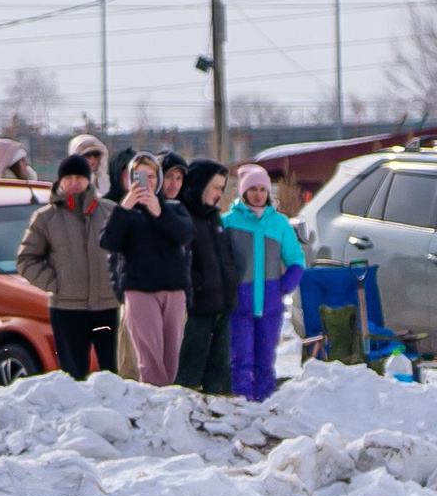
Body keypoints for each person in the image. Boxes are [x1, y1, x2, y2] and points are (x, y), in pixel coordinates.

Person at [99, 152, 195, 388]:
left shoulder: (174, 208)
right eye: (139, 176)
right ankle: (158, 405)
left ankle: (166, 404)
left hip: (173, 290)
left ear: (158, 179)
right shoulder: (125, 211)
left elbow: (185, 235)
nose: (146, 182)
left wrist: (160, 211)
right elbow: (108, 242)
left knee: (171, 360)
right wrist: (124, 208)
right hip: (139, 290)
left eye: (151, 176)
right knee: (150, 361)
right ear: (130, 179)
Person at [17, 152, 118, 375]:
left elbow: (128, 253)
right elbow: (26, 260)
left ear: (89, 180)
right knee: (73, 375)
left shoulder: (110, 212)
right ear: (60, 181)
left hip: (108, 307)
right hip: (68, 310)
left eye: (79, 178)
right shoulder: (45, 218)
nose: (74, 183)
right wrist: (56, 284)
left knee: (114, 373)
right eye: (68, 178)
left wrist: (118, 284)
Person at [225, 164, 302, 402]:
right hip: (239, 303)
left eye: (262, 189)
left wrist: (284, 285)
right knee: (240, 359)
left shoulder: (279, 224)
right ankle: (241, 404)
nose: (258, 194)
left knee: (265, 359)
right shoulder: (228, 222)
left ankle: (264, 404)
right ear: (243, 192)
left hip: (270, 305)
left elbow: (296, 260)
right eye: (252, 189)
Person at [175, 159, 236, 394]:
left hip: (221, 305)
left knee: (219, 372)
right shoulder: (183, 215)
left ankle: (219, 417)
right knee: (189, 372)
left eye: (222, 188)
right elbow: (180, 262)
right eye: (216, 187)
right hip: (198, 308)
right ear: (200, 185)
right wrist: (198, 285)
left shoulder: (213, 217)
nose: (220, 194)